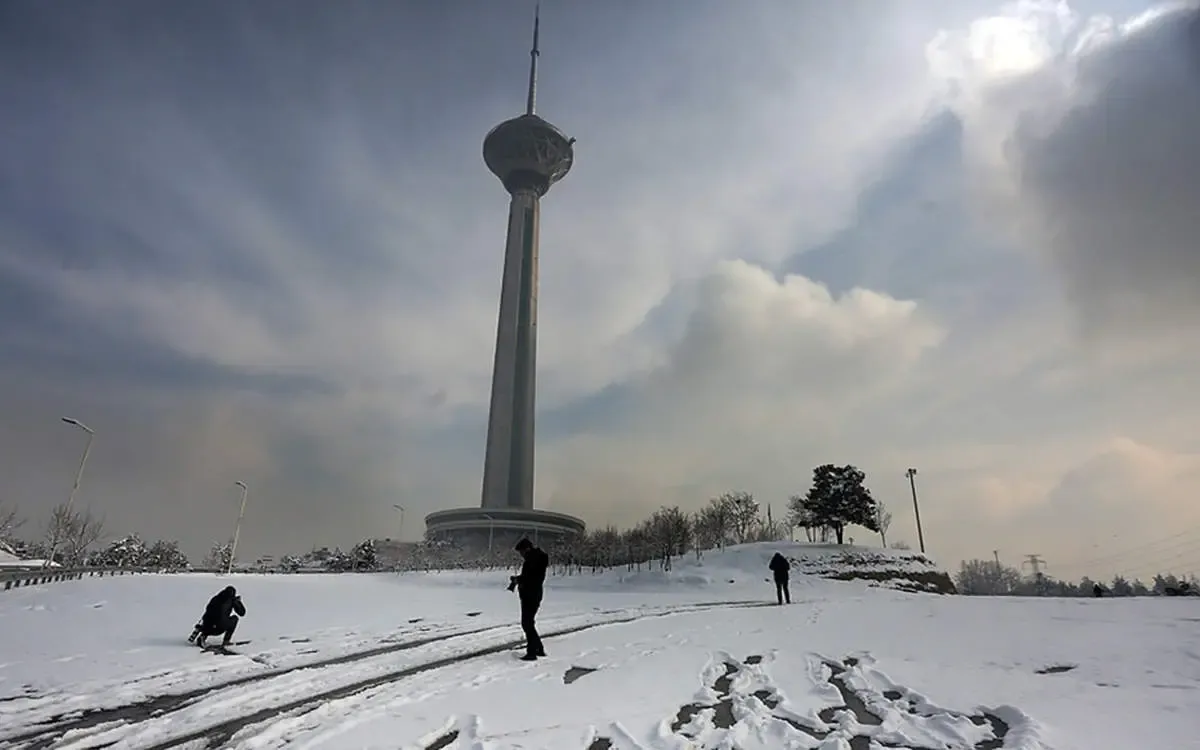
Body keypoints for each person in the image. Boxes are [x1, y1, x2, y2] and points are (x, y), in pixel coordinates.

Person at [507, 537, 549, 661]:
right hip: (532, 594)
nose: (521, 555)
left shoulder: (533, 560)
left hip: (531, 595)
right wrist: (519, 579)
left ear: (527, 549)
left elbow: (532, 578)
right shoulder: (535, 559)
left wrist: (518, 580)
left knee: (527, 623)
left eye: (521, 552)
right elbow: (530, 576)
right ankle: (538, 649)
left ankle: (532, 653)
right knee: (528, 623)